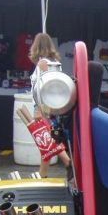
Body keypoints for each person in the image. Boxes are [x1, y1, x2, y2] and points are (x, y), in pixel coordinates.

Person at [29, 33, 71, 178]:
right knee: (47, 139)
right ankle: (48, 170)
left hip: (43, 106)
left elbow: (43, 88)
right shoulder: (54, 63)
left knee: (45, 139)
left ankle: (61, 164)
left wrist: (39, 110)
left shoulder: (43, 63)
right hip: (50, 105)